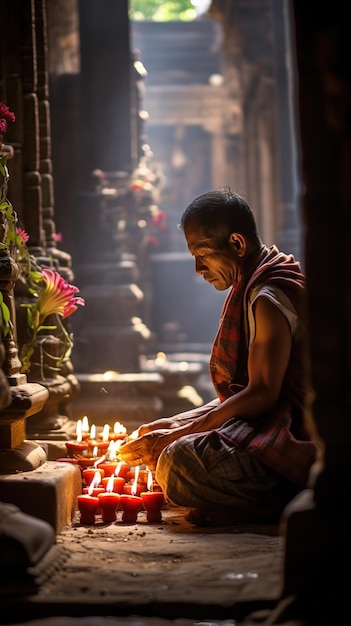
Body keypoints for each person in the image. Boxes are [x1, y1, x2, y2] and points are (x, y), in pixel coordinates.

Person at [118, 188, 318, 526]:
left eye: (203, 254)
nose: (198, 268)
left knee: (175, 464)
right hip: (271, 423)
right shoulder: (256, 281)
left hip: (295, 437)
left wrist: (178, 436)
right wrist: (175, 423)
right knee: (173, 446)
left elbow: (262, 395)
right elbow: (247, 392)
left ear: (237, 245)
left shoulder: (267, 298)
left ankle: (285, 498)